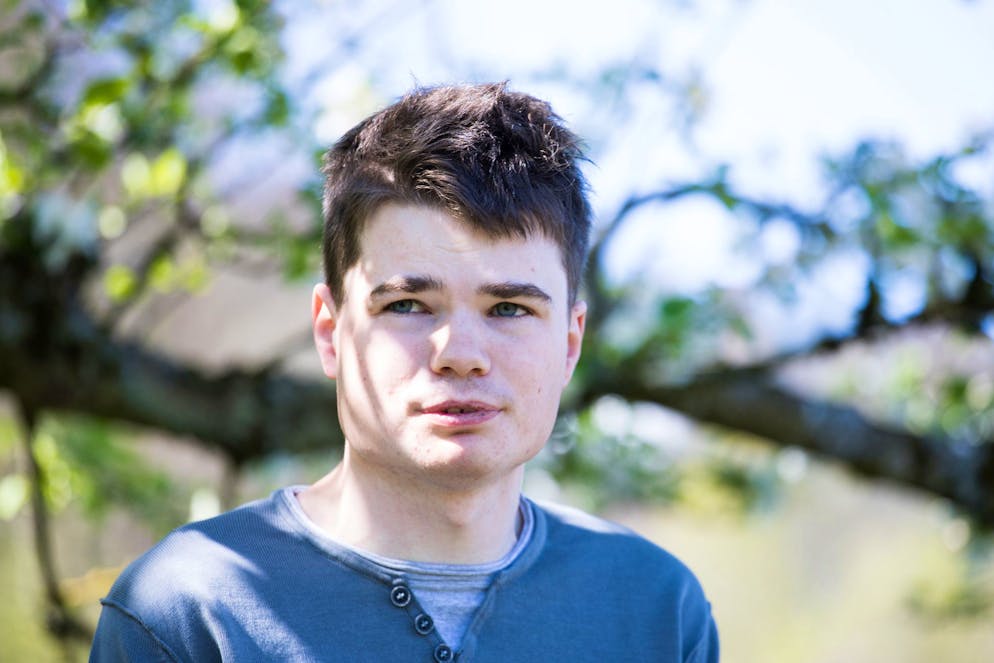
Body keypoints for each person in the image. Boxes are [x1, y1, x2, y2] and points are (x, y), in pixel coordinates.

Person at [90, 82, 719, 662]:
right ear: (331, 332)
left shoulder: (656, 611)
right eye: (409, 305)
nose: (460, 353)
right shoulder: (188, 609)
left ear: (570, 344)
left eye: (509, 308)